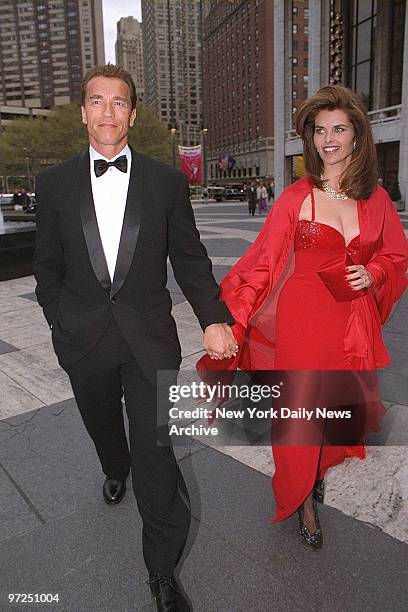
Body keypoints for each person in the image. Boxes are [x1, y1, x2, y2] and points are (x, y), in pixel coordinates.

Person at [33, 64, 237, 610]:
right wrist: (60, 321)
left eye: (118, 102)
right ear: (83, 112)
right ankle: (111, 464)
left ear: (133, 113)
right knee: (106, 430)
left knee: (158, 453)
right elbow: (47, 268)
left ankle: (162, 572)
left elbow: (191, 260)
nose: (107, 111)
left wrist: (215, 316)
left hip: (149, 341)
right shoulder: (52, 184)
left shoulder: (165, 181)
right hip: (84, 342)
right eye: (96, 101)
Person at [198, 85, 407, 549]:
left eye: (339, 129)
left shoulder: (377, 201)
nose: (328, 139)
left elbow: (396, 257)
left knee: (335, 408)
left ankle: (316, 469)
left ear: (357, 136)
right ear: (311, 140)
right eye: (319, 130)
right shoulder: (297, 197)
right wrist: (230, 321)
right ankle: (301, 496)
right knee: (298, 411)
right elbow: (261, 264)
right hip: (301, 320)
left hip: (349, 325)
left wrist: (373, 272)